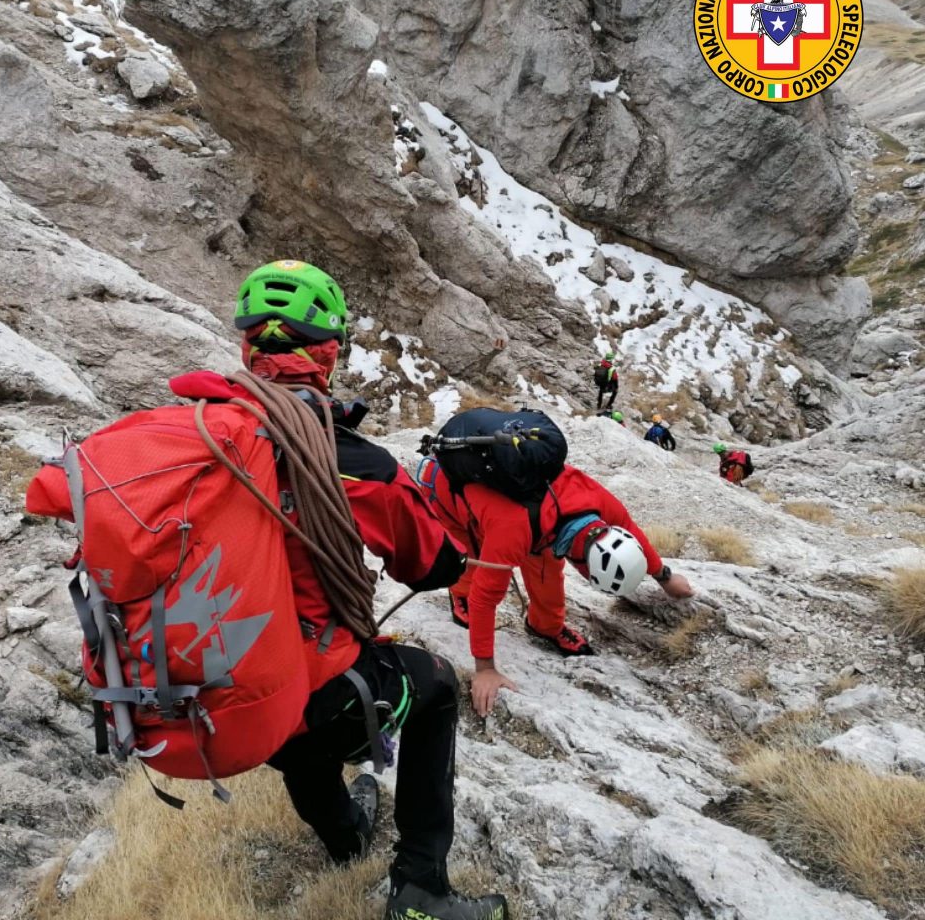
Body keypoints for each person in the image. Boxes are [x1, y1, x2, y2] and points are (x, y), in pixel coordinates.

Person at [204, 261, 506, 920]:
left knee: (298, 718)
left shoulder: (193, 438)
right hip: (304, 691)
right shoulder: (356, 465)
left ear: (245, 350)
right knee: (435, 690)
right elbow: (427, 564)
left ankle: (344, 837)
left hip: (210, 685)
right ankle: (421, 887)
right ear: (330, 355)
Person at [416, 458, 694, 717]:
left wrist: (664, 577)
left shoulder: (595, 502)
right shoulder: (512, 531)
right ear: (583, 566)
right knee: (472, 562)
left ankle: (545, 626)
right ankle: (458, 593)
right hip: (447, 491)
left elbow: (627, 526)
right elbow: (485, 599)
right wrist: (485, 669)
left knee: (547, 565)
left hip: (533, 518)